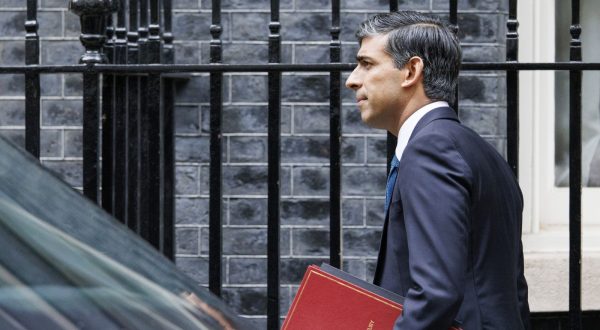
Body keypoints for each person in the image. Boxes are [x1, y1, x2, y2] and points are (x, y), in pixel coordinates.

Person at [345, 11, 530, 329]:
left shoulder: (430, 149)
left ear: (411, 71)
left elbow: (436, 293)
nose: (352, 79)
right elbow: (513, 291)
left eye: (367, 64)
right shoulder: (479, 150)